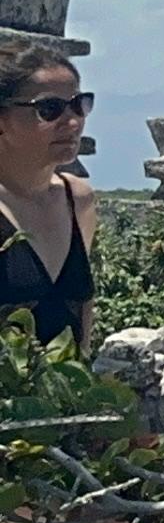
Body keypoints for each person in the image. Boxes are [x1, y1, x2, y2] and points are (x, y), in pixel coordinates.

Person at [0, 40, 99, 352]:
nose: (73, 122)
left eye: (79, 104)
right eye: (49, 109)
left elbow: (81, 331)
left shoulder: (78, 200)